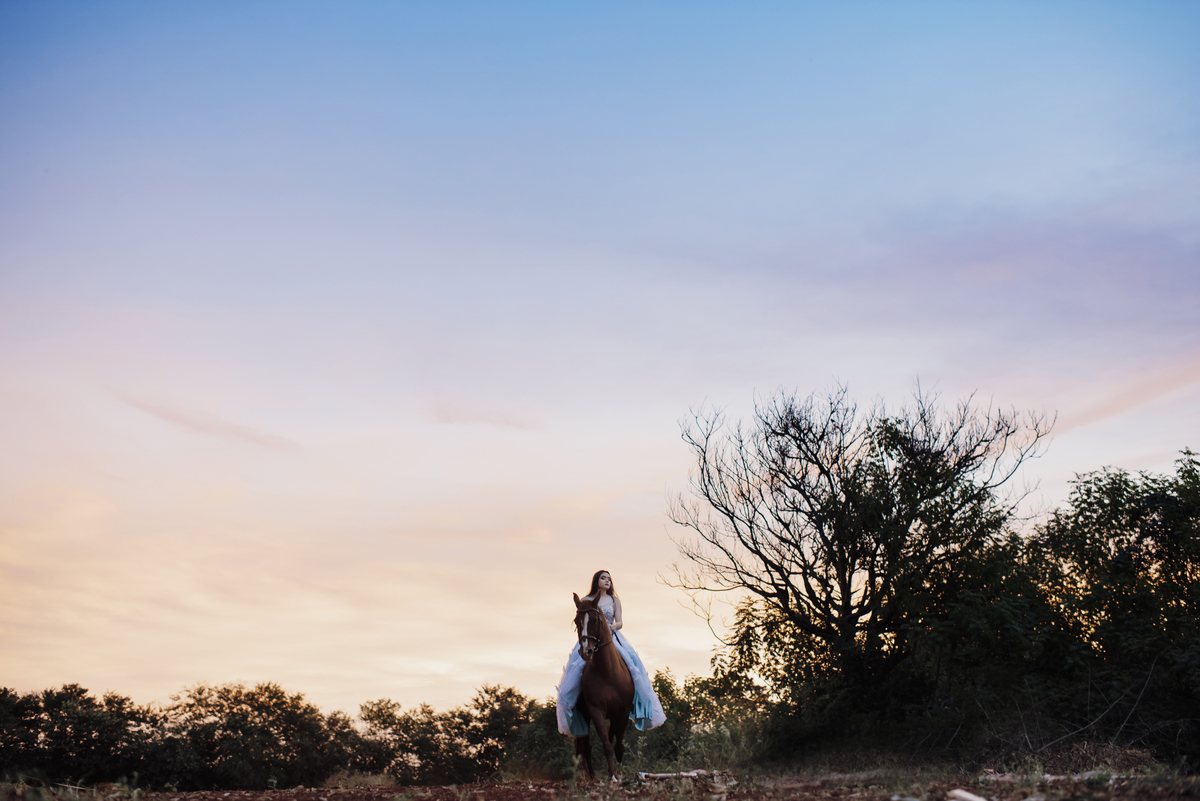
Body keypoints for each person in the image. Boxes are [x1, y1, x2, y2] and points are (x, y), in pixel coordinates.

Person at [556, 570, 667, 735]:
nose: (607, 581)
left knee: (632, 665)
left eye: (609, 579)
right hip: (591, 638)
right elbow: (583, 621)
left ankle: (637, 701)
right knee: (577, 668)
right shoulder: (586, 600)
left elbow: (620, 621)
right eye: (603, 578)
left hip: (611, 636)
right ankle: (575, 703)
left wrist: (613, 627)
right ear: (596, 581)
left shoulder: (614, 600)